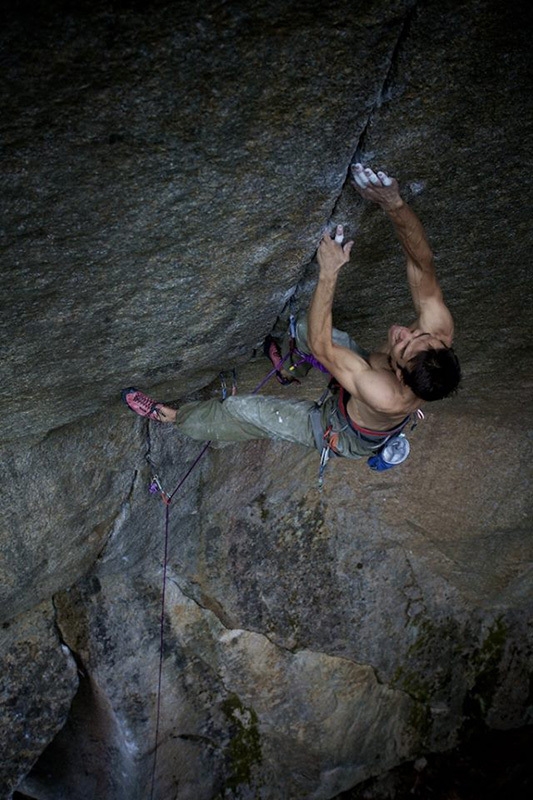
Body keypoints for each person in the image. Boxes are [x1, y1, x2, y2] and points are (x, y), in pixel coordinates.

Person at [122, 163, 460, 463]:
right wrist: (394, 204)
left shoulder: (385, 394)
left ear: (400, 375)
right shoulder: (437, 335)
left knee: (241, 411)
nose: (404, 331)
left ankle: (172, 417)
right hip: (357, 383)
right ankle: (291, 368)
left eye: (401, 346)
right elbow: (422, 263)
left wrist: (328, 272)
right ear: (441, 344)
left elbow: (323, 343)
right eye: (419, 334)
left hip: (336, 428)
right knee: (300, 325)